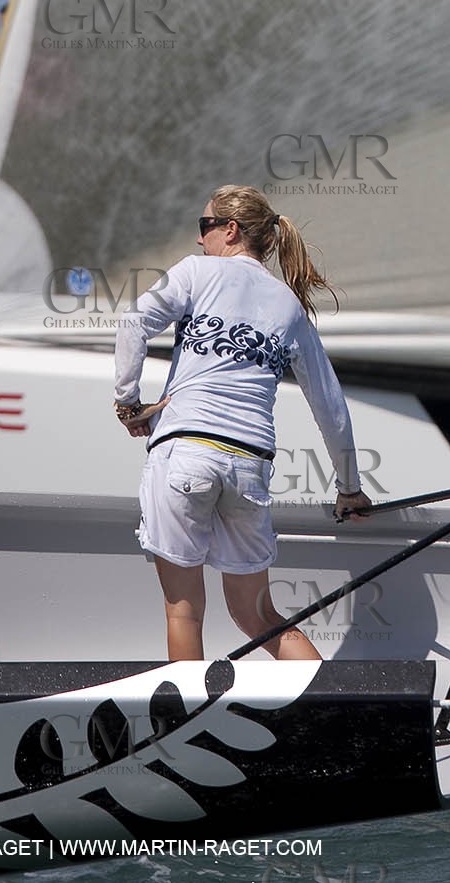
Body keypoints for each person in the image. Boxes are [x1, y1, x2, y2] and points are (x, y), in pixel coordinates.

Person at [113, 185, 371, 661]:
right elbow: (331, 408)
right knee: (259, 616)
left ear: (230, 231)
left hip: (185, 453)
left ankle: (185, 725)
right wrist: (350, 487)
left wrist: (128, 404)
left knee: (184, 611)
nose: (198, 240)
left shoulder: (196, 272)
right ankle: (332, 706)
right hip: (250, 468)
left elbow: (132, 325)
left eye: (203, 226)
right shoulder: (290, 306)